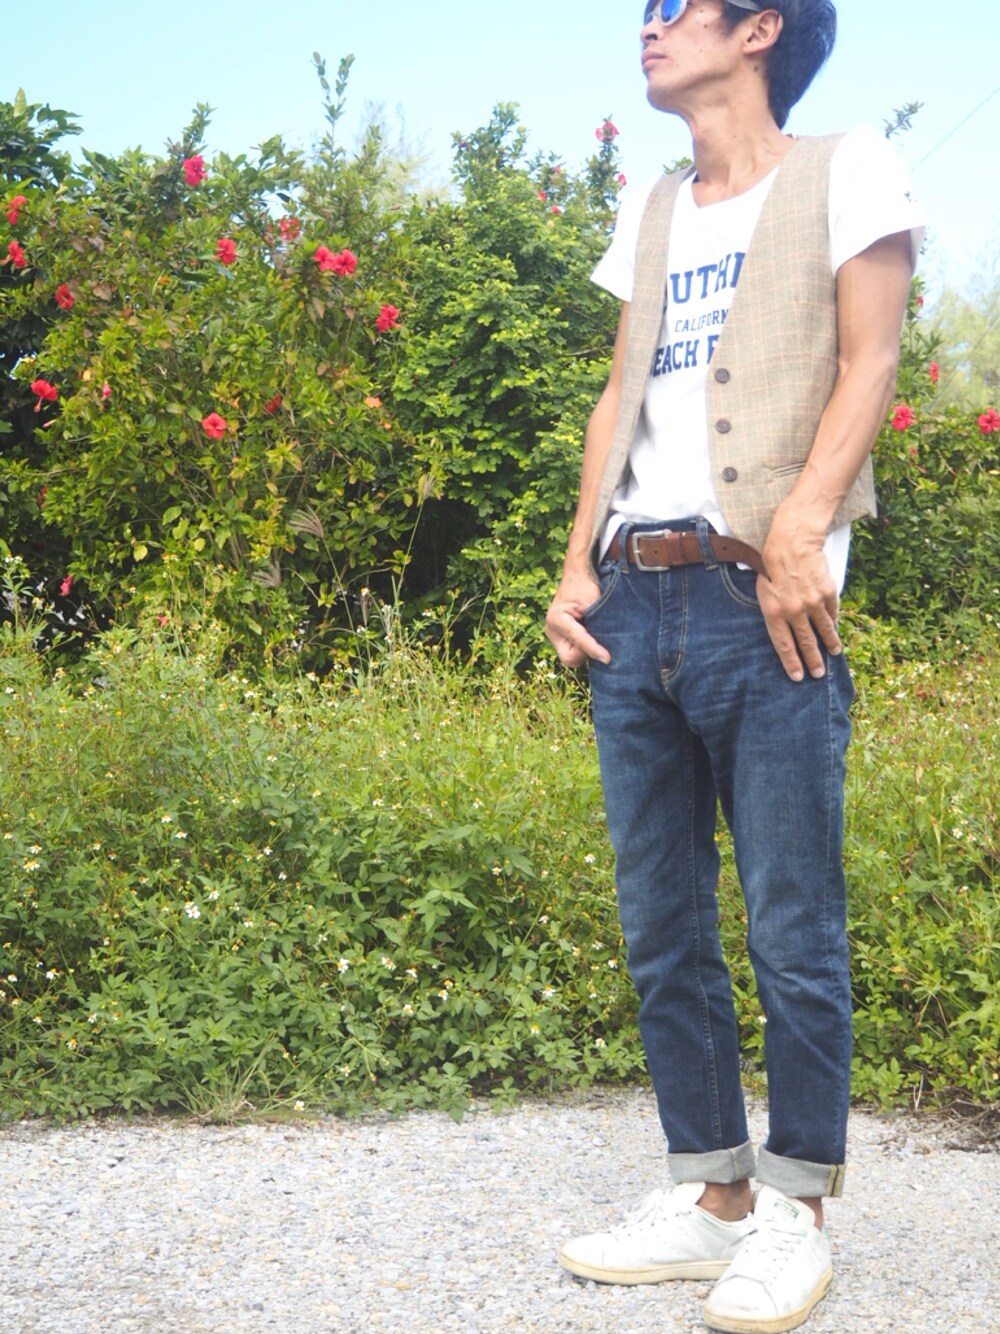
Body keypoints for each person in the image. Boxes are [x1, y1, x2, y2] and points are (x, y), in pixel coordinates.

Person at [544, 2, 924, 1331]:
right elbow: (621, 394)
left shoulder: (846, 167)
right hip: (633, 598)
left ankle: (796, 1209)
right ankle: (713, 1194)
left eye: (675, 6)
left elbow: (873, 358)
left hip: (764, 596)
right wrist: (576, 564)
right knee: (661, 922)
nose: (646, 26)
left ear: (760, 27)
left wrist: (803, 529)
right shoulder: (654, 207)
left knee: (790, 921)